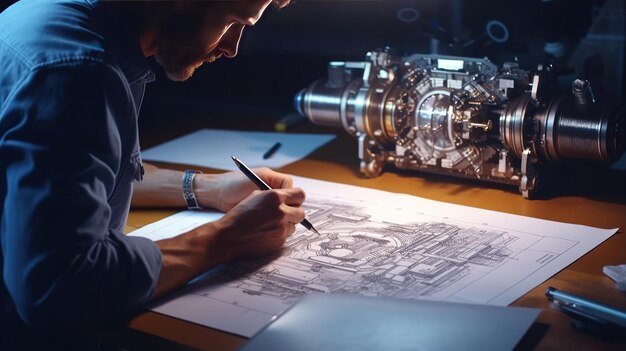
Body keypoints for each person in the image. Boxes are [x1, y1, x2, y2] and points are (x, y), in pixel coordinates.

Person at [0, 0, 302, 348]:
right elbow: (57, 287)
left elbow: (75, 179)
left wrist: (206, 187)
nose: (232, 48)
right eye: (232, 22)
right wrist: (225, 238)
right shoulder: (80, 72)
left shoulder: (52, 14)